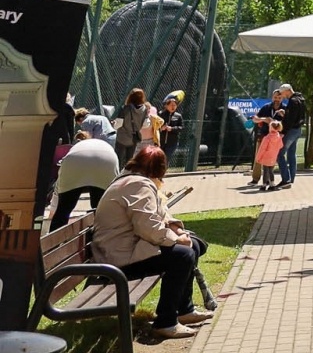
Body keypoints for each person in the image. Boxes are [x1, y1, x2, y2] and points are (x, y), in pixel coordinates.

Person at [93, 145, 212, 339]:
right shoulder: (138, 185)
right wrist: (176, 239)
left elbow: (160, 213)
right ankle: (166, 322)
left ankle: (184, 309)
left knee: (194, 245)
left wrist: (178, 230)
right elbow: (147, 227)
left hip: (126, 249)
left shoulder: (133, 180)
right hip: (118, 259)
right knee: (183, 255)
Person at [50, 132, 119, 230]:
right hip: (107, 159)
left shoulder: (75, 149)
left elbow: (59, 185)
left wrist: (53, 210)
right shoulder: (103, 145)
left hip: (75, 159)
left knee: (64, 209)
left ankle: (54, 242)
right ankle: (101, 238)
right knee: (100, 210)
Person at [114, 88, 157, 167]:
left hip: (122, 138)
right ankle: (128, 174)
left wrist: (113, 124)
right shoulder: (144, 109)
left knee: (118, 158)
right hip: (134, 138)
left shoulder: (125, 108)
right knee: (130, 159)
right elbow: (146, 124)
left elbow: (118, 124)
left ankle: (118, 176)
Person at [276, 84, 307, 187]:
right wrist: (286, 114)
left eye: (283, 93)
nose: (282, 96)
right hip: (298, 129)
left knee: (280, 154)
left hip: (291, 130)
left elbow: (291, 119)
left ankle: (286, 179)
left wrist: (283, 132)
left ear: (288, 91)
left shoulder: (292, 101)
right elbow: (297, 116)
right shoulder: (301, 99)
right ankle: (291, 178)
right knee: (291, 154)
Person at [255, 120, 284, 191]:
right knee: (271, 170)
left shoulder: (267, 138)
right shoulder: (278, 137)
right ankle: (272, 184)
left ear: (271, 128)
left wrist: (258, 157)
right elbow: (281, 145)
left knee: (265, 171)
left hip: (266, 156)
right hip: (273, 156)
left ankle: (264, 184)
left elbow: (262, 148)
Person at [158, 94, 184, 158]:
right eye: (171, 105)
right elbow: (155, 127)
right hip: (160, 142)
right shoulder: (161, 114)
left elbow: (182, 128)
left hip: (172, 143)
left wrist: (172, 128)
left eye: (175, 105)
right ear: (166, 106)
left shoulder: (178, 116)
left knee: (166, 158)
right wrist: (161, 128)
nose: (173, 107)